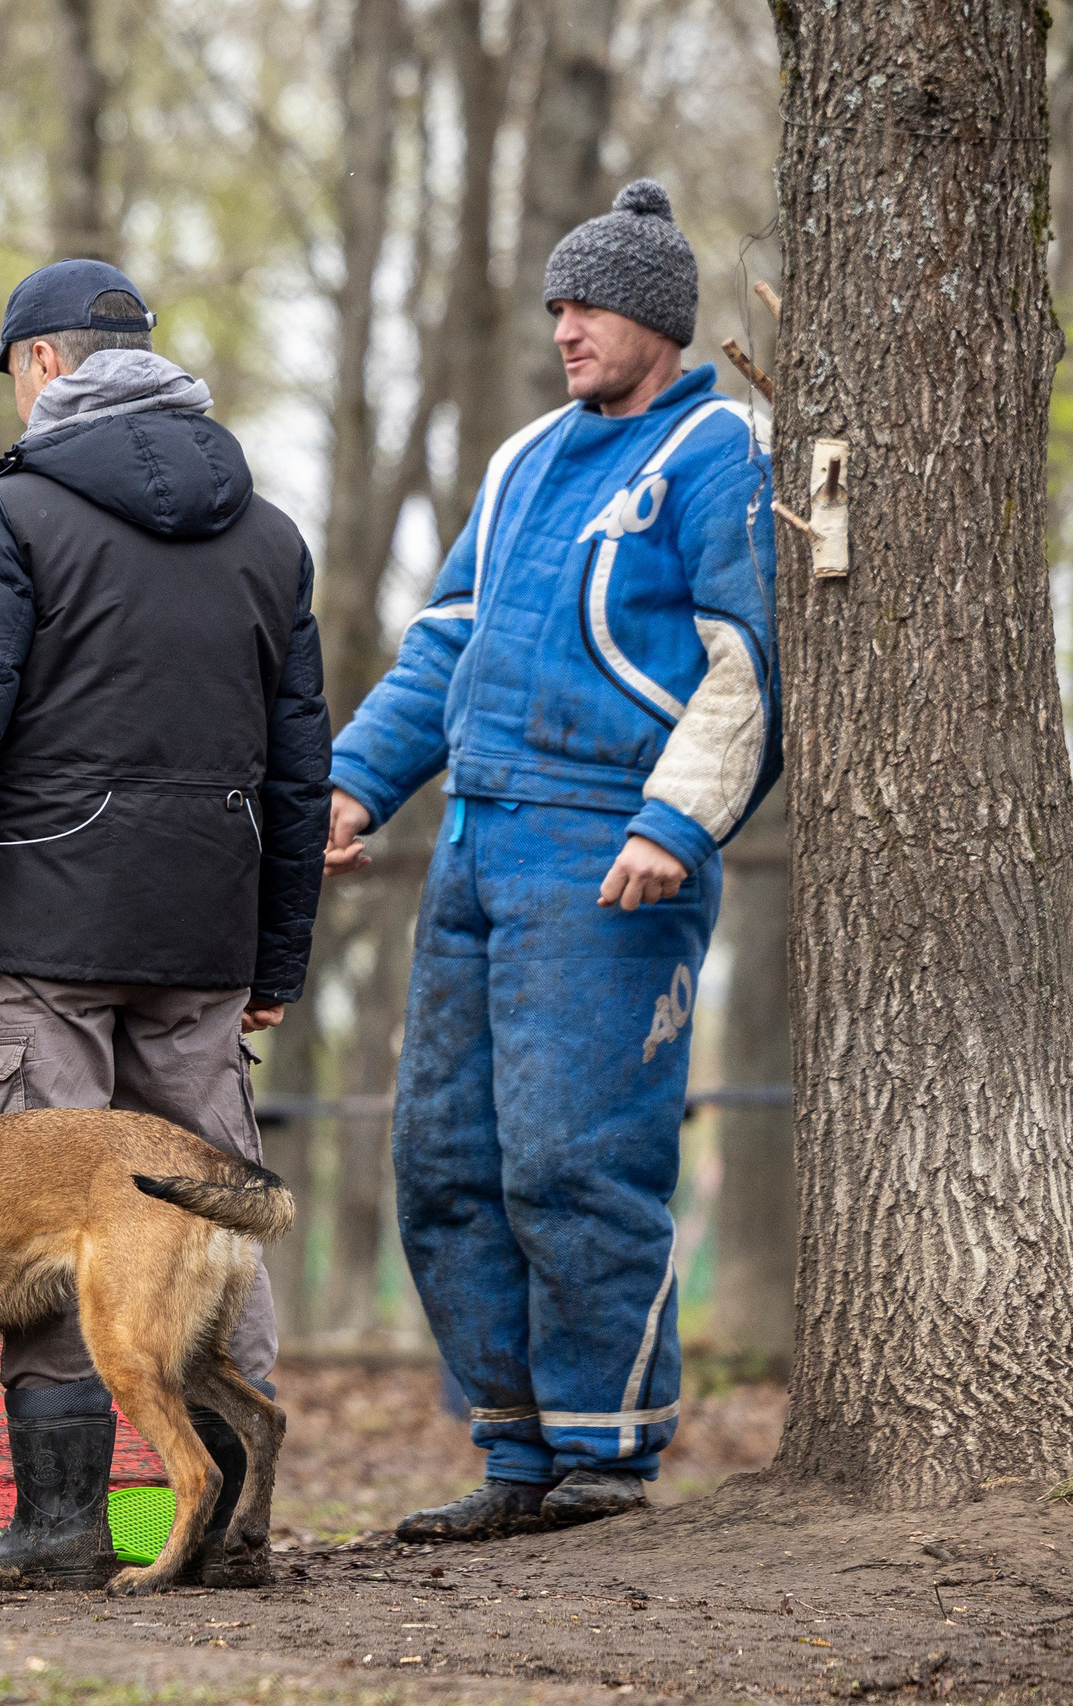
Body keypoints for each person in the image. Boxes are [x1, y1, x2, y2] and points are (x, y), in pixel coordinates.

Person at [0, 259, 330, 1589]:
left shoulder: (19, 516)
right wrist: (276, 953)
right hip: (206, 937)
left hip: (43, 926)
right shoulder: (269, 534)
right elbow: (297, 773)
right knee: (208, 1207)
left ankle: (57, 1523)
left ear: (41, 368)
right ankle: (238, 1525)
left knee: (38, 1211)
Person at [326, 181, 777, 1541]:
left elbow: (747, 663)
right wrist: (354, 785)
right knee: (445, 1157)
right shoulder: (524, 457)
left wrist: (676, 819)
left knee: (578, 1158)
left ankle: (608, 1451)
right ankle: (515, 1446)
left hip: (609, 849)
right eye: (556, 306)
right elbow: (445, 645)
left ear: (651, 315)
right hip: (473, 843)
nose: (563, 326)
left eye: (584, 304)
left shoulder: (717, 450)